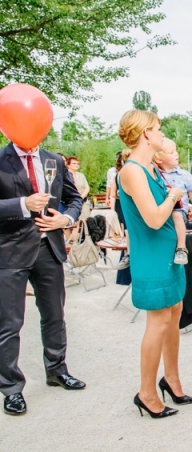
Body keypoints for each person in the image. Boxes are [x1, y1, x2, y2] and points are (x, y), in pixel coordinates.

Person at [0, 138, 84, 416]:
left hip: (50, 247)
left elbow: (74, 199)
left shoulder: (54, 160)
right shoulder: (1, 159)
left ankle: (57, 370)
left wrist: (66, 219)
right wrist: (22, 204)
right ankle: (11, 388)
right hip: (10, 252)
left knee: (54, 315)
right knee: (9, 323)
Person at [117, 110, 192, 419]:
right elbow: (153, 217)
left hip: (169, 255)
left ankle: (171, 379)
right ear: (146, 133)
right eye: (158, 129)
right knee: (158, 322)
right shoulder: (132, 170)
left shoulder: (150, 168)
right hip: (152, 258)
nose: (162, 134)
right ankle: (146, 392)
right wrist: (174, 194)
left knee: (173, 316)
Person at [154, 138, 192, 265]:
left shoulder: (184, 175)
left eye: (175, 151)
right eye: (171, 152)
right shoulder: (155, 175)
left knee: (176, 214)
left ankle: (181, 248)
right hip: (162, 211)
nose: (176, 154)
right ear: (159, 159)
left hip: (178, 211)